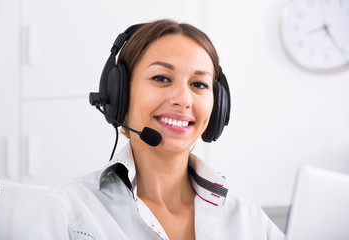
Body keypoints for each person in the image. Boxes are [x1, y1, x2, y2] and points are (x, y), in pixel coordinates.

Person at [27, 19, 285, 240]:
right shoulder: (69, 212)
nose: (183, 99)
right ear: (120, 95)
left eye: (199, 84)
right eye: (161, 78)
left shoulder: (249, 222)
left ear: (218, 107)